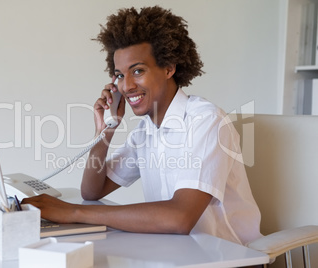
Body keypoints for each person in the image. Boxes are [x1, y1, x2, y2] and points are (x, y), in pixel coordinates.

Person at [22, 6, 262, 245]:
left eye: (137, 71)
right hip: (179, 254)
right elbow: (93, 191)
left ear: (169, 67)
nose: (126, 86)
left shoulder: (206, 121)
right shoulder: (146, 131)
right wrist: (104, 133)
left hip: (229, 257)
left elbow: (180, 218)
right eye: (119, 75)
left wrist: (74, 213)